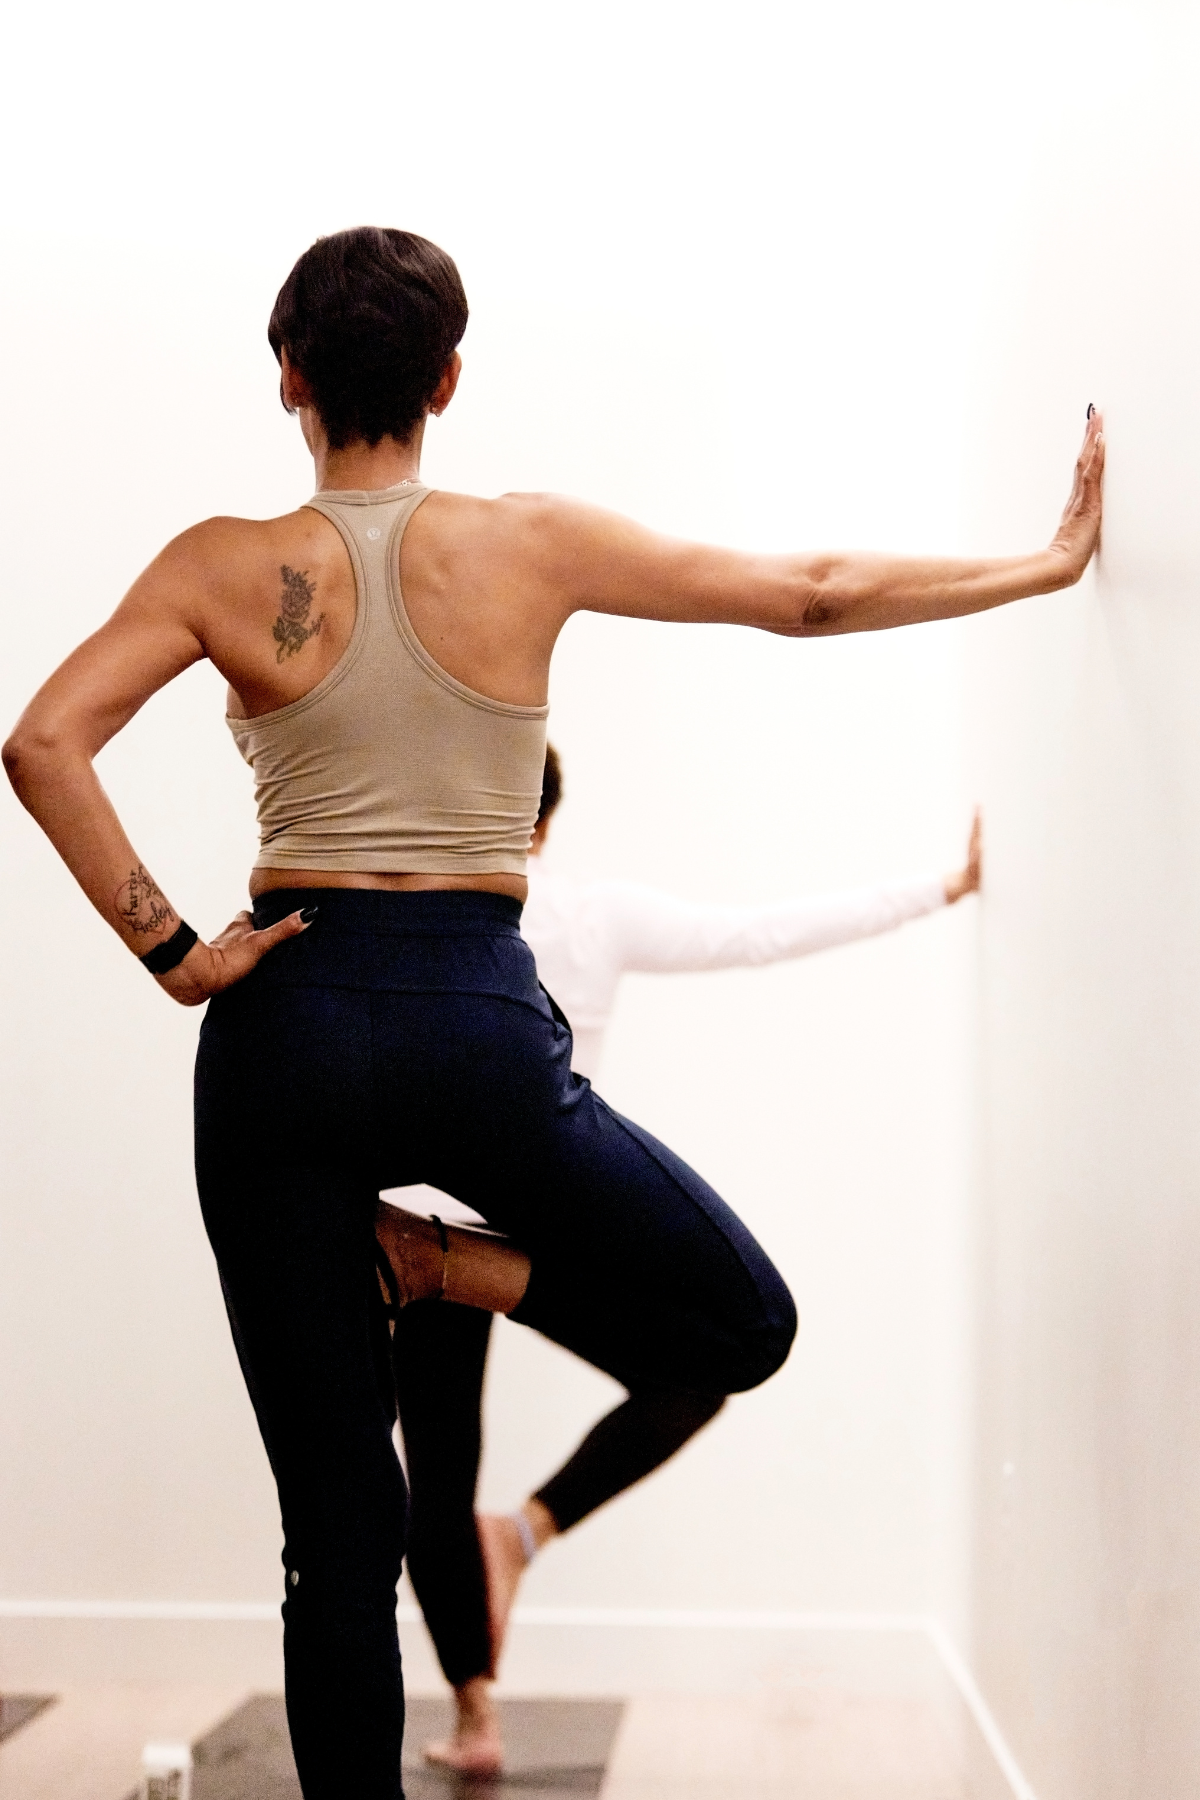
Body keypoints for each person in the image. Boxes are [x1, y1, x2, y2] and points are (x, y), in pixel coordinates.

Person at [1, 226, 1103, 1800]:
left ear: (290, 382)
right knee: (746, 1322)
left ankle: (431, 1262)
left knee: (340, 1538)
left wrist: (180, 951)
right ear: (451, 380)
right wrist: (1041, 564)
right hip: (472, 1023)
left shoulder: (220, 564)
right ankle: (443, 1264)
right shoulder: (530, 542)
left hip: (282, 1031)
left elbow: (45, 745)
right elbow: (809, 592)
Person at [393, 746, 982, 1776]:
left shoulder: (479, 921)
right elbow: (759, 934)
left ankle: (507, 1587)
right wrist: (939, 888)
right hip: (483, 1227)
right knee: (450, 1474)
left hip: (475, 1229)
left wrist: (938, 888)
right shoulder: (546, 916)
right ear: (538, 824)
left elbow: (759, 935)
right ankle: (480, 1696)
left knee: (470, 1468)